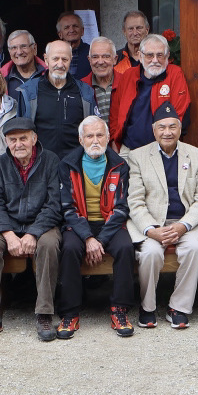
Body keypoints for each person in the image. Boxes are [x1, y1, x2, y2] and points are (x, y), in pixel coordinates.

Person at [0, 116, 62, 342]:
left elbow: (54, 205)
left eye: (23, 138)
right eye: (12, 140)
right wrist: (8, 234)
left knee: (49, 244)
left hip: (42, 224)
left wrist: (33, 232)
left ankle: (44, 313)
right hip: (9, 225)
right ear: (6, 142)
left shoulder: (51, 161)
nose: (18, 144)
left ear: (34, 138)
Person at [125, 103, 198, 329]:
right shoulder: (137, 157)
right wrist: (152, 230)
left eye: (173, 126)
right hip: (153, 223)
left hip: (185, 223)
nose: (167, 132)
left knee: (194, 248)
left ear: (180, 129)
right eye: (161, 127)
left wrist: (183, 226)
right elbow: (135, 200)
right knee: (150, 253)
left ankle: (178, 308)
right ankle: (148, 307)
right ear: (154, 131)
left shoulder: (197, 156)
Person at [58, 116, 136, 336]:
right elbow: (67, 209)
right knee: (70, 249)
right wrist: (88, 238)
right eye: (90, 136)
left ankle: (119, 309)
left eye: (100, 135)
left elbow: (122, 208)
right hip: (79, 224)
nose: (95, 140)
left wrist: (100, 240)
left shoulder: (120, 165)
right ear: (81, 139)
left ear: (108, 137)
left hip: (109, 224)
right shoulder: (67, 164)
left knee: (125, 248)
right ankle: (70, 313)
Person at [109, 34, 190, 151]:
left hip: (162, 149)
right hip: (128, 148)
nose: (155, 60)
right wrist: (113, 140)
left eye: (160, 55)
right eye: (149, 55)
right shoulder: (128, 76)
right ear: (140, 56)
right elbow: (115, 113)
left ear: (167, 56)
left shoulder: (175, 74)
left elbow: (180, 113)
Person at [17, 40, 96, 157]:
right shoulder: (29, 92)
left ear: (71, 60)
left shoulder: (85, 92)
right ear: (46, 59)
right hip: (41, 164)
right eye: (55, 59)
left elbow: (93, 129)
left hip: (75, 164)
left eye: (65, 59)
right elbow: (21, 131)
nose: (60, 64)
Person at [84, 36, 118, 120]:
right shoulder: (81, 87)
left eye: (106, 56)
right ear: (89, 60)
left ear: (115, 59)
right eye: (95, 57)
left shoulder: (126, 83)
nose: (100, 62)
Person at [2, 30, 46, 95]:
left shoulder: (48, 74)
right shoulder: (2, 77)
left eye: (24, 46)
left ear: (34, 48)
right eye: (14, 48)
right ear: (9, 51)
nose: (19, 52)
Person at [55, 11, 93, 79]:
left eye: (75, 26)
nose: (72, 30)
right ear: (60, 34)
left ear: (82, 31)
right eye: (67, 27)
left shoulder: (92, 52)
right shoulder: (53, 54)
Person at [114, 10, 151, 74]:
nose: (135, 33)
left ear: (147, 30)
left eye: (139, 28)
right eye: (130, 29)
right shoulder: (116, 59)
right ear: (124, 32)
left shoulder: (155, 58)